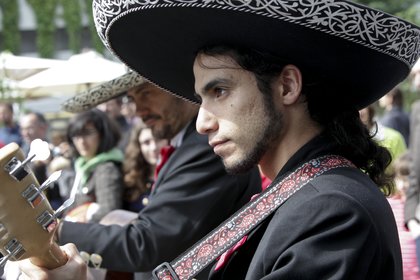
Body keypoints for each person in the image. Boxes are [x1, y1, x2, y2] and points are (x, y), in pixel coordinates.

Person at [18, 0, 420, 279]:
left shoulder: (331, 211)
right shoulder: (300, 198)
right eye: (200, 98)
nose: (202, 123)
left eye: (219, 91)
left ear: (287, 86)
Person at [35, 71, 262, 279]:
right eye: (133, 99)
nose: (139, 109)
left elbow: (146, 243)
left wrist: (57, 230)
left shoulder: (207, 148)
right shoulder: (190, 146)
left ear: (177, 86)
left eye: (145, 93)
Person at [63, 108, 125, 223]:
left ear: (103, 134)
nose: (81, 141)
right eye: (76, 136)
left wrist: (75, 228)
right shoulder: (81, 166)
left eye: (87, 133)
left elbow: (108, 212)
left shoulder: (106, 169)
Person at [123, 121, 169, 212]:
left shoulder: (177, 173)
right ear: (138, 147)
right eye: (146, 142)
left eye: (158, 139)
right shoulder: (132, 178)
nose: (154, 147)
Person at [359, 104, 407, 171]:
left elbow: (403, 172)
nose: (358, 112)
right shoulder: (344, 143)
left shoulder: (394, 138)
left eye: (361, 107)